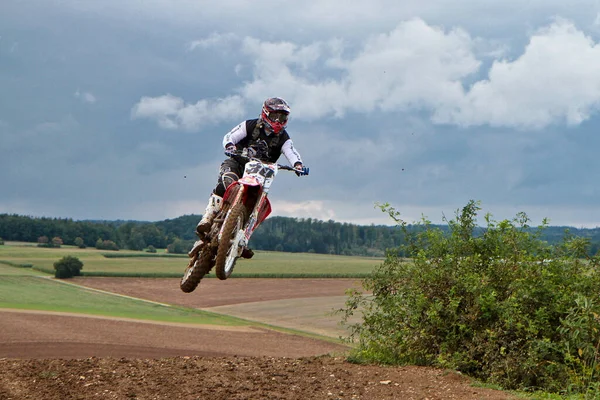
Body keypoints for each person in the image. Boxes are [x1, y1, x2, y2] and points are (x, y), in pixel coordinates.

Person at [195, 97, 306, 254]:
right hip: (238, 164)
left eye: (282, 117)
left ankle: (242, 238)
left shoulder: (284, 138)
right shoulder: (250, 125)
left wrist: (298, 165)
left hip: (259, 173)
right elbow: (230, 136)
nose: (278, 121)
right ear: (266, 113)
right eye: (275, 116)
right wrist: (230, 146)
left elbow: (291, 152)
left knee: (258, 204)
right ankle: (207, 218)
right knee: (227, 181)